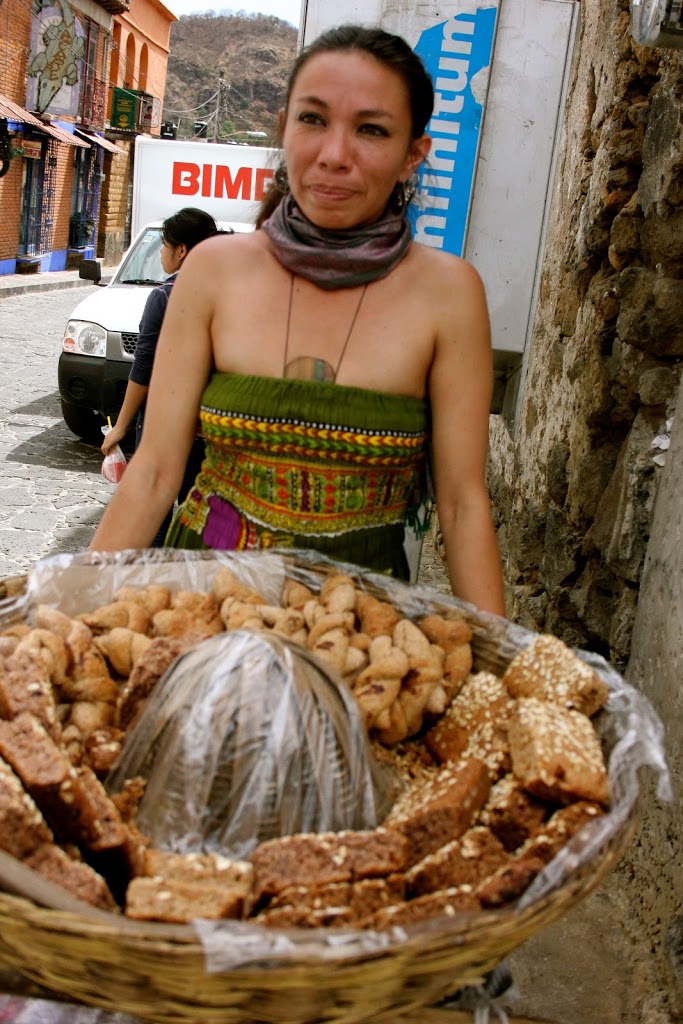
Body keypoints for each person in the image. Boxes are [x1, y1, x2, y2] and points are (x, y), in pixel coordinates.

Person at [90, 25, 506, 617]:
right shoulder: (213, 272)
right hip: (205, 614)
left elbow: (462, 505)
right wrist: (71, 620)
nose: (334, 154)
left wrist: (504, 665)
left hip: (361, 633)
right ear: (284, 126)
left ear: (414, 151)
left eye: (371, 129)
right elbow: (155, 473)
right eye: (313, 120)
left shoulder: (449, 295)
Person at [100, 207, 220, 545]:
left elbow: (144, 368)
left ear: (181, 250)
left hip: (165, 430)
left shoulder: (164, 297)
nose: (162, 254)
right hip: (211, 431)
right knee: (202, 523)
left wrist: (121, 426)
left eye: (164, 245)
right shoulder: (225, 297)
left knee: (154, 521)